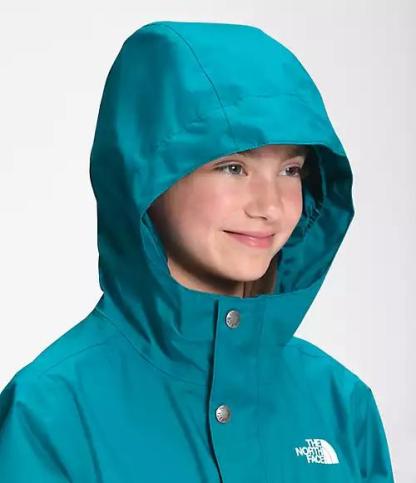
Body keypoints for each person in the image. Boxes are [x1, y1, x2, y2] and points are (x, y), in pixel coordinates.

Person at [0, 20, 395, 482]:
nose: (269, 206)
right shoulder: (50, 416)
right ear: (146, 178)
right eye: (233, 167)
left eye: (290, 170)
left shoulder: (341, 405)